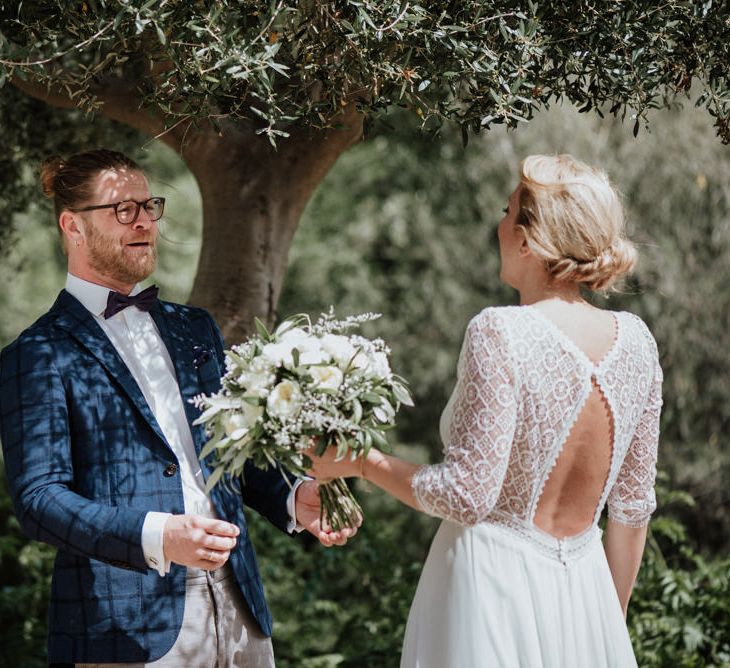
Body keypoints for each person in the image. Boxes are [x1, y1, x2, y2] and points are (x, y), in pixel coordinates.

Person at [0, 149, 358, 667]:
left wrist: (294, 496)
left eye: (149, 205)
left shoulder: (196, 329)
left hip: (240, 608)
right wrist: (159, 536)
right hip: (126, 624)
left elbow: (231, 453)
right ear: (72, 226)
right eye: (122, 209)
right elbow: (39, 501)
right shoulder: (36, 354)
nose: (144, 220)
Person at [307, 154, 662, 667]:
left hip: (491, 591)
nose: (497, 224)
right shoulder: (638, 342)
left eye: (507, 210)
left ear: (526, 239)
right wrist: (605, 625)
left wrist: (361, 462)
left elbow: (466, 495)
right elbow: (631, 511)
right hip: (589, 596)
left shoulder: (500, 331)